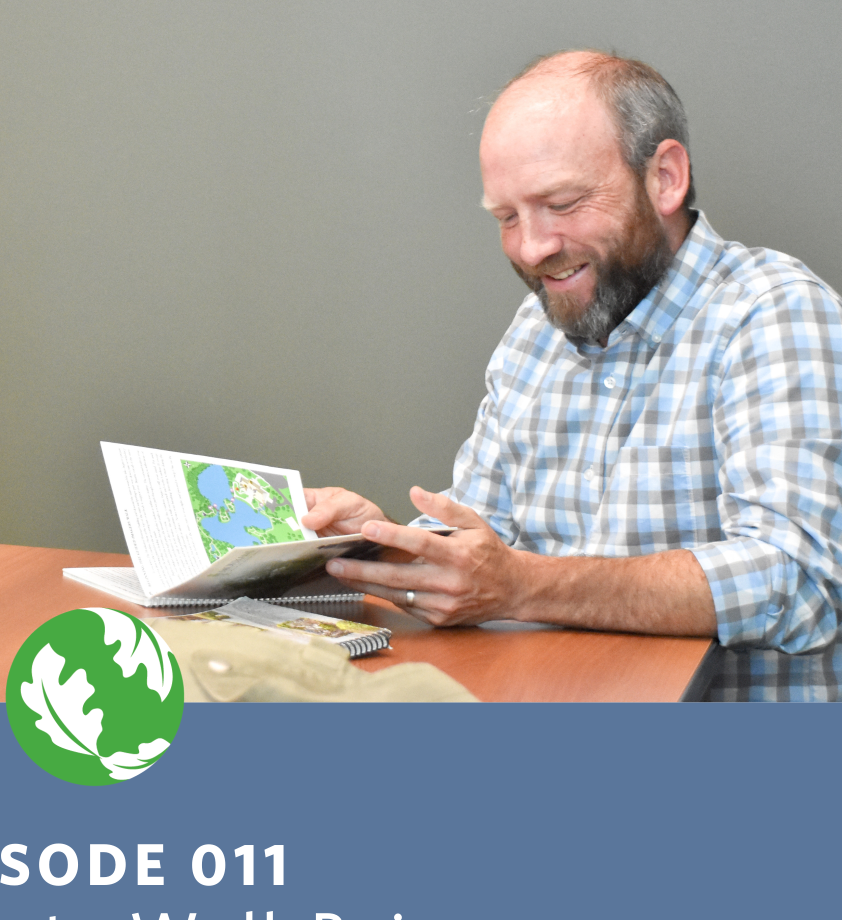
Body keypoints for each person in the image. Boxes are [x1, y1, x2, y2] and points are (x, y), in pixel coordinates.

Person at [302, 51, 842, 701]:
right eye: (506, 217)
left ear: (665, 177)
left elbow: (802, 580)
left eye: (561, 202)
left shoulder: (774, 311)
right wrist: (379, 546)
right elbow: (487, 538)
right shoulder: (534, 333)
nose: (532, 249)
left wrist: (526, 585)